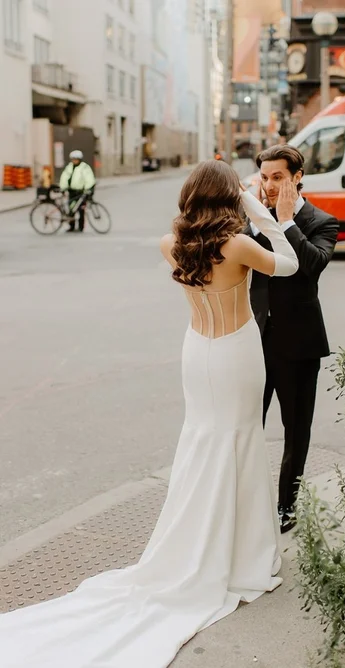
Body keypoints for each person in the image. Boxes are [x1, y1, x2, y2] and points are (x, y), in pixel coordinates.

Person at [0, 160, 300, 667]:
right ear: (230, 198)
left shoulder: (171, 243)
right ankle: (242, 556)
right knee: (241, 440)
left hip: (197, 351)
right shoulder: (238, 246)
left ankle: (195, 545)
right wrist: (265, 211)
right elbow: (289, 263)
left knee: (203, 440)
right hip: (236, 353)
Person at [246, 144, 339, 533]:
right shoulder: (252, 217)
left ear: (297, 177)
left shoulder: (321, 221)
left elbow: (311, 266)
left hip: (299, 345)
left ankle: (287, 505)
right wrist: (258, 217)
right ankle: (248, 504)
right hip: (253, 341)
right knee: (246, 426)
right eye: (265, 177)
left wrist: (286, 221)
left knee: (295, 432)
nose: (269, 185)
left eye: (278, 177)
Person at [59, 149, 96, 233]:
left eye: (76, 159)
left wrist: (88, 188)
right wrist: (63, 188)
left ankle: (80, 227)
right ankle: (71, 226)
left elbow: (89, 179)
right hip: (72, 191)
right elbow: (64, 178)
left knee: (81, 209)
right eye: (73, 159)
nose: (74, 161)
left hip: (81, 192)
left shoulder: (84, 167)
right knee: (71, 208)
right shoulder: (69, 167)